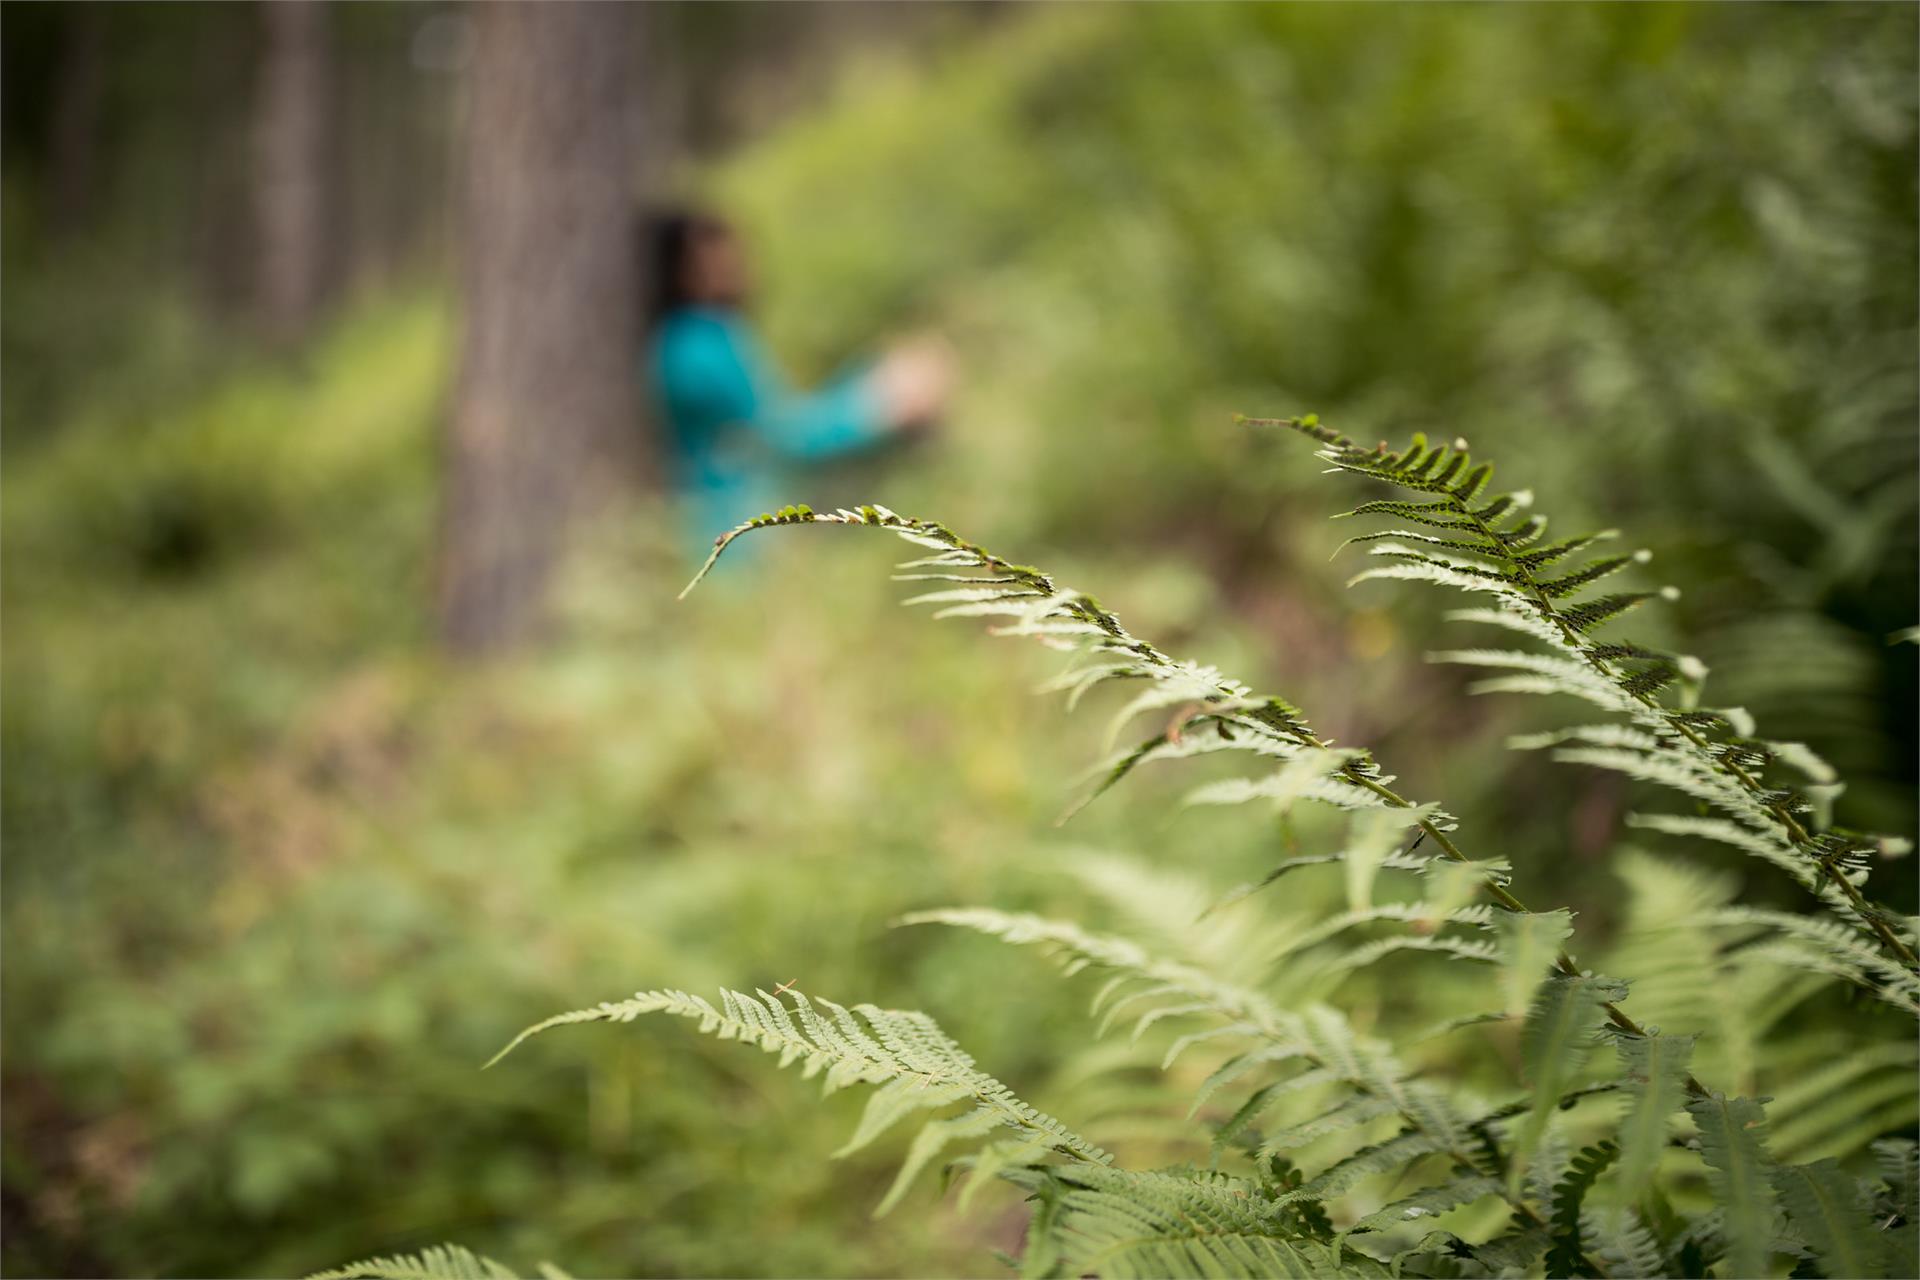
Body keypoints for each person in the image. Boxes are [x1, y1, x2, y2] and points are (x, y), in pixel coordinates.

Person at [642, 209, 952, 553]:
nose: (730, 265)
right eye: (710, 259)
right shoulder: (696, 345)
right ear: (680, 271)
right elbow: (784, 436)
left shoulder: (707, 333)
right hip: (736, 542)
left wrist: (873, 380)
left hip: (747, 529)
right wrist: (881, 401)